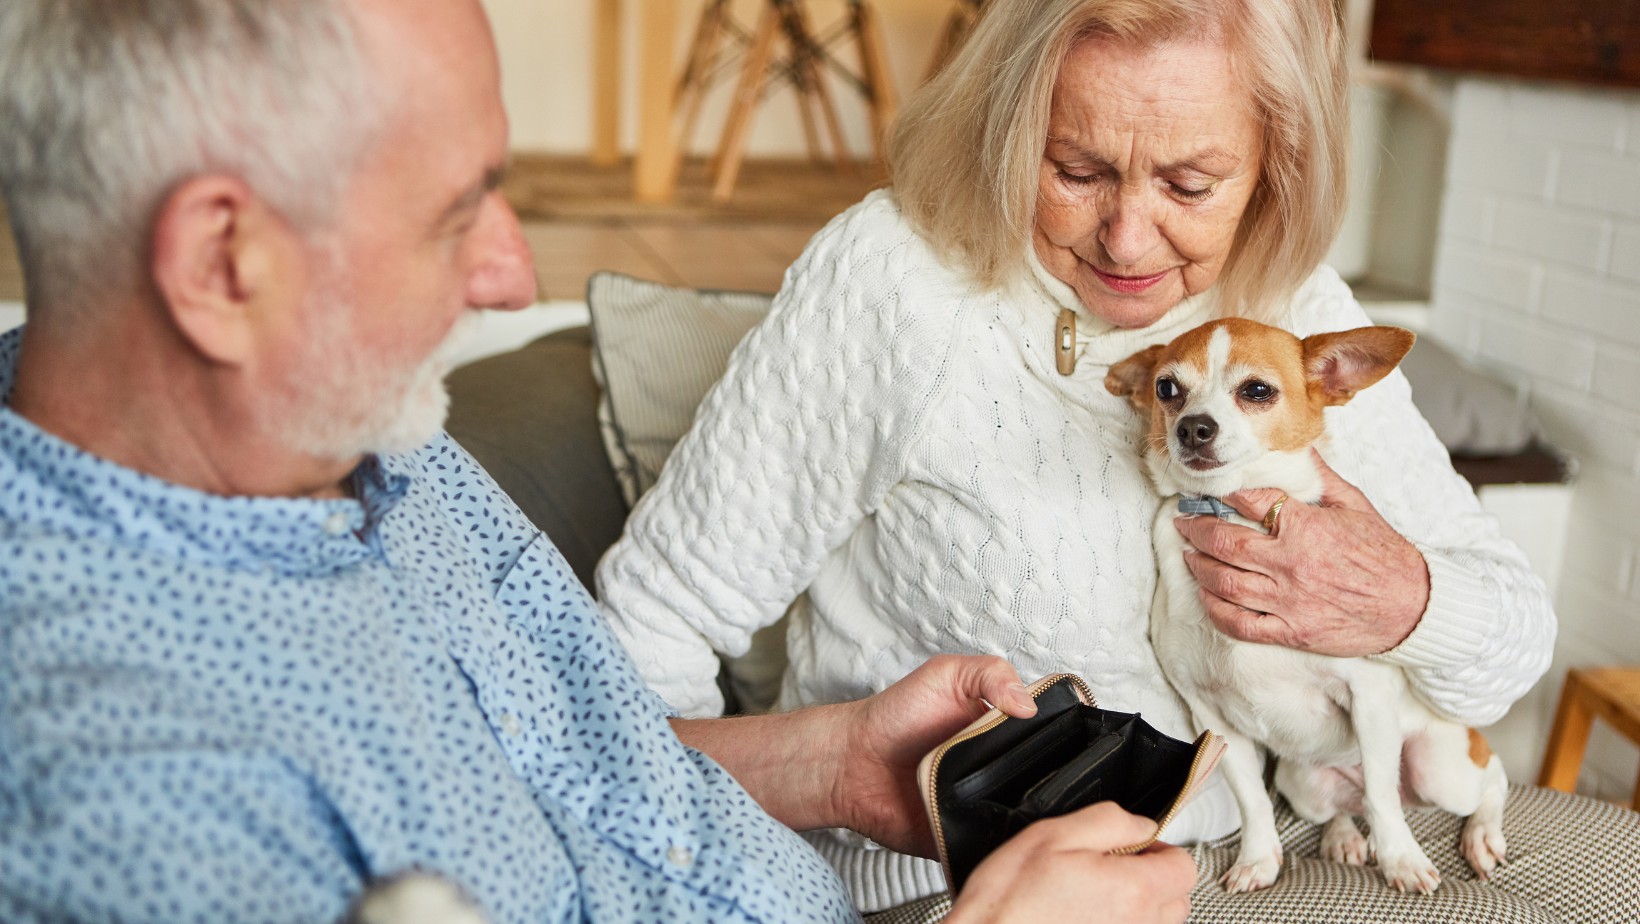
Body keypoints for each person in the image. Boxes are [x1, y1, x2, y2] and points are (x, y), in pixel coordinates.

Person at [0, 1, 1200, 922]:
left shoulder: (344, 437)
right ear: (219, 264)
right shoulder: (120, 790)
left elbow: (547, 765)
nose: (513, 277)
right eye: (453, 214)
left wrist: (834, 766)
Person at [595, 0, 1640, 920]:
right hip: (946, 882)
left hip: (1256, 843)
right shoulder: (894, 284)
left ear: (1274, 163)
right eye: (1076, 170)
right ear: (1007, 130)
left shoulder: (1288, 312)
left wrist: (1399, 597)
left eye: (1191, 183)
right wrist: (714, 863)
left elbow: (1510, 647)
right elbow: (645, 636)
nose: (1128, 241)